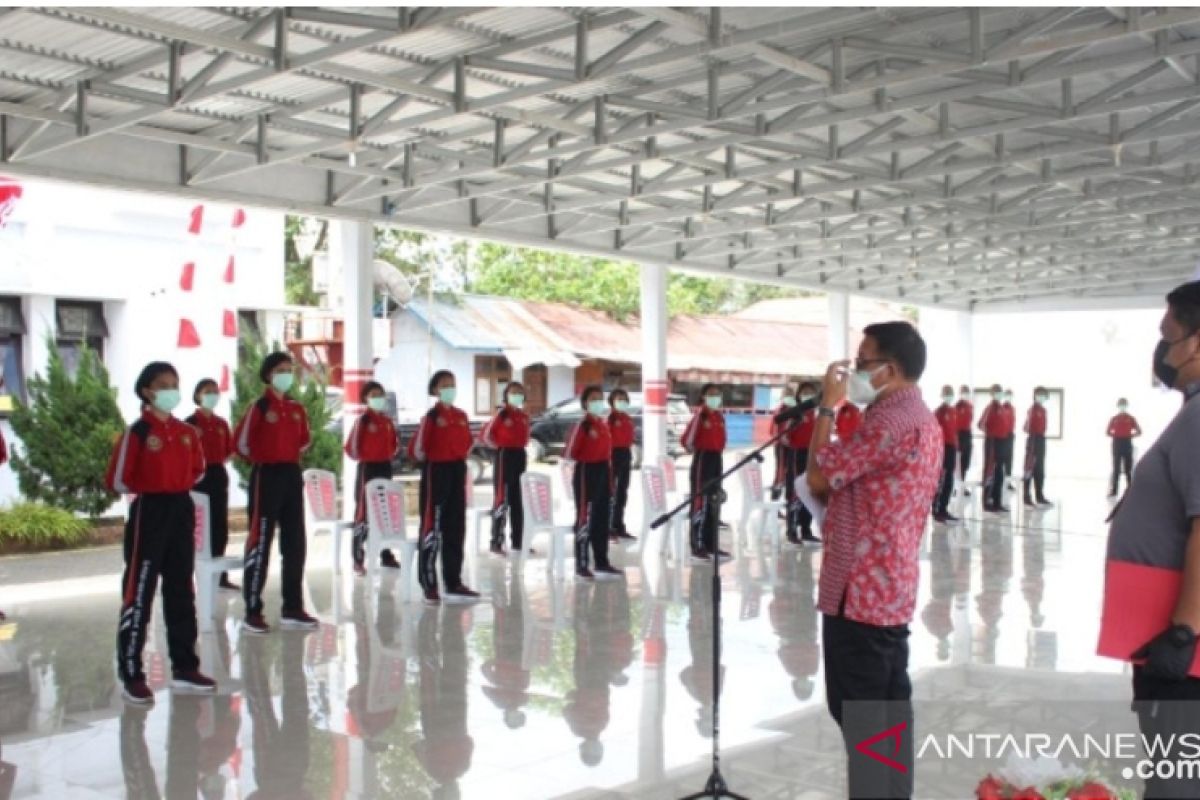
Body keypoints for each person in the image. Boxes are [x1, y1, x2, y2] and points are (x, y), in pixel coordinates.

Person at [806, 321, 942, 800]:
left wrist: (827, 407)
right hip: (890, 590)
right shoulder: (922, 418)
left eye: (863, 363)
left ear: (891, 369)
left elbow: (818, 476)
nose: (855, 372)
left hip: (860, 595)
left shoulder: (888, 422)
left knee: (864, 726)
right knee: (887, 725)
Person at [1099, 281, 1200, 800]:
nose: (1163, 350)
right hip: (1168, 636)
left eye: (1169, 335)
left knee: (1177, 782)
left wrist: (1183, 633)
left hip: (1185, 653)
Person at [107, 361, 216, 705]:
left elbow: (198, 470)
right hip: (149, 512)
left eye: (174, 384)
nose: (171, 391)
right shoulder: (137, 432)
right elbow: (118, 480)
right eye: (163, 385)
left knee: (181, 589)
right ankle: (131, 673)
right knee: (140, 590)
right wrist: (154, 485)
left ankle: (185, 666)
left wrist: (174, 485)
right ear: (147, 391)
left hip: (181, 508)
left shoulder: (187, 432)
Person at [233, 351, 318, 634]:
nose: (286, 374)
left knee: (295, 543)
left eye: (289, 369)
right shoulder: (259, 407)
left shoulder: (296, 408)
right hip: (266, 476)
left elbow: (304, 441)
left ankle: (292, 607)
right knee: (260, 541)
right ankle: (252, 610)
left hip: (291, 475)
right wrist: (265, 457)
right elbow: (241, 443)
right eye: (281, 370)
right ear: (269, 375)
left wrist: (285, 454)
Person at [408, 369, 481, 604]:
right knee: (432, 526)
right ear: (435, 390)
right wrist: (435, 459)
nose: (450, 389)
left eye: (452, 384)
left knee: (455, 527)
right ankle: (429, 584)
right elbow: (417, 450)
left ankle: (453, 581)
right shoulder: (431, 417)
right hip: (436, 472)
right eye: (444, 385)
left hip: (457, 471)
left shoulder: (461, 415)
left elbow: (468, 443)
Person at [564, 386, 624, 581]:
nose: (598, 402)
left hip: (603, 472)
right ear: (585, 403)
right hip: (586, 472)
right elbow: (569, 452)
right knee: (585, 518)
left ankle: (601, 561)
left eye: (600, 398)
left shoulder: (603, 424)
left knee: (602, 519)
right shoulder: (582, 425)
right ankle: (582, 564)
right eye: (593, 399)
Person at [185, 378, 237, 591]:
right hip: (198, 477)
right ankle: (192, 574)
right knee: (197, 526)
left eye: (215, 391)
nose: (212, 395)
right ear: (198, 395)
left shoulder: (221, 424)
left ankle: (220, 575)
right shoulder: (189, 423)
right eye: (208, 391)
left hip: (217, 474)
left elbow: (230, 450)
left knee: (219, 526)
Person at [345, 381, 400, 575]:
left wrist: (385, 456)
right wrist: (368, 456)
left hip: (385, 467)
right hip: (367, 469)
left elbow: (394, 446)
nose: (378, 398)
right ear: (365, 399)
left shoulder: (387, 422)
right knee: (363, 514)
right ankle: (358, 559)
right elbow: (351, 448)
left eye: (380, 395)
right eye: (373, 395)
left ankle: (386, 555)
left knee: (384, 512)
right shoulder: (362, 421)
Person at [682, 384, 733, 561]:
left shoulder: (719, 416)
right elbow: (687, 441)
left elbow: (723, 439)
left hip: (717, 458)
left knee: (714, 501)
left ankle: (711, 544)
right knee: (700, 501)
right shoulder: (700, 415)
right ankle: (697, 545)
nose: (715, 398)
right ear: (703, 396)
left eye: (718, 395)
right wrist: (698, 448)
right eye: (711, 394)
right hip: (703, 459)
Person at [480, 382, 531, 557]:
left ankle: (518, 541)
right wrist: (500, 447)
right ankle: (496, 541)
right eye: (513, 392)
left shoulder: (524, 416)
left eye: (520, 392)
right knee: (503, 498)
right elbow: (486, 436)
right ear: (507, 395)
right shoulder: (501, 414)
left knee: (518, 500)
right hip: (504, 456)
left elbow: (526, 437)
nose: (517, 395)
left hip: (520, 456)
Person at [783, 382, 820, 547]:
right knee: (795, 492)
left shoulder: (818, 414)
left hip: (813, 456)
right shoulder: (795, 413)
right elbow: (784, 437)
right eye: (805, 392)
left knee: (810, 492)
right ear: (799, 395)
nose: (808, 395)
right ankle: (791, 531)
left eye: (811, 392)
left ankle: (806, 530)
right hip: (797, 454)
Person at [606, 388, 637, 543]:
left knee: (622, 492)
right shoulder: (610, 419)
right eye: (619, 399)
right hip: (613, 455)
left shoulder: (627, 418)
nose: (622, 402)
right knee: (611, 492)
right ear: (612, 402)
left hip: (626, 453)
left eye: (624, 399)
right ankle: (608, 527)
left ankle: (619, 525)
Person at [978, 384, 1014, 513]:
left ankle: (997, 502)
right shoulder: (990, 408)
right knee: (990, 472)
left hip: (1002, 443)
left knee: (999, 474)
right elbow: (980, 424)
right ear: (992, 394)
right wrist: (991, 433)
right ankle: (987, 502)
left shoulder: (1002, 408)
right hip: (992, 443)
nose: (998, 394)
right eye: (996, 392)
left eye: (1000, 392)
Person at [932, 386, 960, 524]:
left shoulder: (954, 411)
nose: (949, 396)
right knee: (941, 480)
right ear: (942, 395)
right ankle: (937, 510)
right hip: (943, 448)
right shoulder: (939, 412)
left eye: (950, 393)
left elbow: (955, 430)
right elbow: (933, 431)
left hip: (952, 448)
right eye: (946, 393)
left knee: (949, 480)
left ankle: (944, 508)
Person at [1022, 387, 1053, 508]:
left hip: (1041, 439)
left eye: (1044, 395)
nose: (1042, 397)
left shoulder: (1043, 410)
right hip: (1033, 439)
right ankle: (1026, 496)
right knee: (1029, 468)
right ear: (1035, 396)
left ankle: (1040, 496)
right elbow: (1026, 427)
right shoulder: (1032, 410)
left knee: (1040, 469)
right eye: (1040, 395)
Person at [1107, 398, 1142, 498]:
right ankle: (1114, 491)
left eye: (1124, 404)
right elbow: (1108, 432)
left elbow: (1139, 431)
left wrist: (1130, 435)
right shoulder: (1114, 419)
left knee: (1128, 468)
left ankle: (1130, 490)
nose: (1122, 407)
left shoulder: (1130, 418)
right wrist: (1116, 435)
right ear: (1118, 406)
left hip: (1127, 443)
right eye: (1121, 404)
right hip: (1117, 443)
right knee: (1116, 468)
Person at [769, 387, 797, 502]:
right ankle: (775, 497)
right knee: (780, 471)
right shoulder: (780, 410)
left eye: (790, 394)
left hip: (794, 445)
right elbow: (773, 429)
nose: (789, 396)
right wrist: (781, 439)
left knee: (791, 472)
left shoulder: (797, 409)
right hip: (781, 445)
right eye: (786, 394)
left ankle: (789, 499)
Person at [955, 385, 975, 493]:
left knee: (966, 462)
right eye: (963, 392)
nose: (965, 394)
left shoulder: (970, 406)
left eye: (966, 392)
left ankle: (962, 485)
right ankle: (956, 486)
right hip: (959, 434)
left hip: (968, 434)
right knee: (958, 462)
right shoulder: (957, 406)